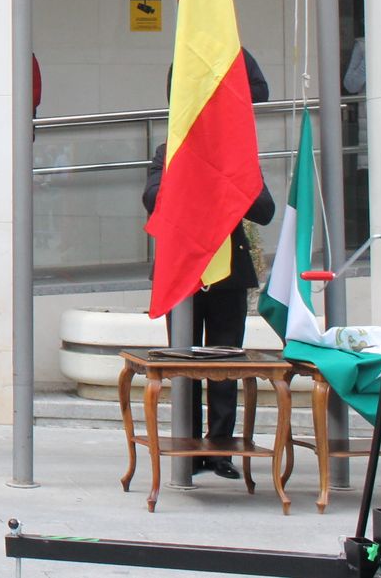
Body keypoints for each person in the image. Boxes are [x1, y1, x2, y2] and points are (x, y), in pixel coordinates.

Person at [142, 50, 275, 479]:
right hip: (185, 273)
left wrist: (227, 178)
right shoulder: (170, 150)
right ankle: (189, 448)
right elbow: (152, 199)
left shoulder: (236, 156)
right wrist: (191, 171)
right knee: (185, 366)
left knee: (223, 366)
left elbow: (265, 209)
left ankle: (220, 451)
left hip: (228, 276)